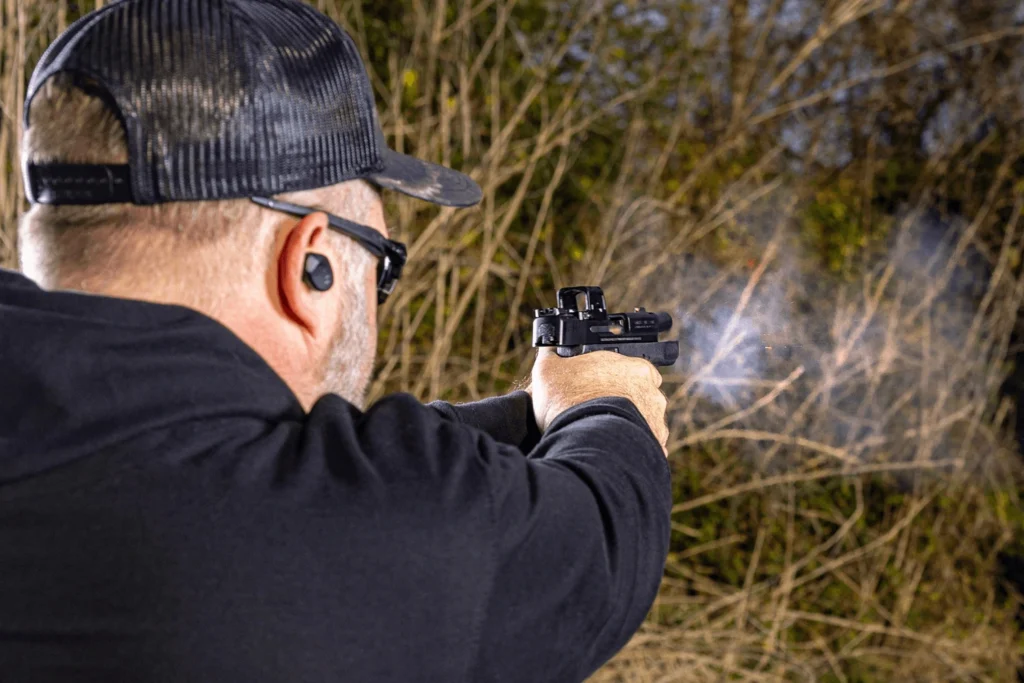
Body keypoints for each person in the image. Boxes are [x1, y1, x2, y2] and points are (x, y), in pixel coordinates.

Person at [0, 1, 672, 681]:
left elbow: (211, 445)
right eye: (381, 263)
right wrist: (608, 405)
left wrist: (525, 414)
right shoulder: (337, 531)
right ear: (308, 265)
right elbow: (600, 541)